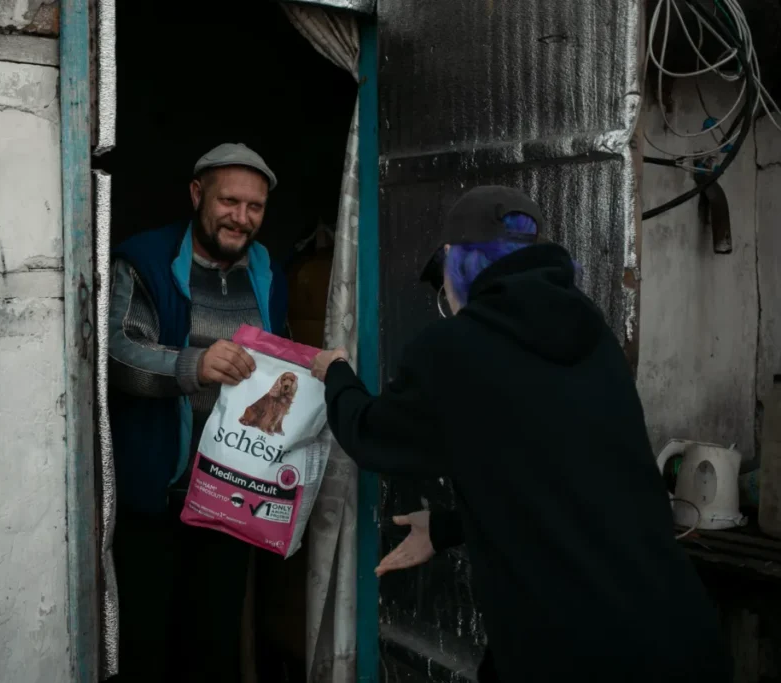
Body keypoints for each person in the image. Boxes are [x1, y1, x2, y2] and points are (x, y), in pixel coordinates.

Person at [310, 186, 731, 683]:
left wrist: (336, 373)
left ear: (459, 264)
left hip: (572, 654)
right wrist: (446, 528)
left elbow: (371, 435)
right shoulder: (593, 336)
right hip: (681, 636)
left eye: (441, 279)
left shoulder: (454, 350)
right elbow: (551, 474)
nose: (443, 295)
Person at [107, 143, 288, 682]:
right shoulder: (145, 259)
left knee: (212, 649)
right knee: (146, 649)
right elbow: (116, 355)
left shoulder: (266, 269)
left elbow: (277, 361)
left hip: (232, 500)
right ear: (196, 194)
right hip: (158, 498)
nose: (241, 217)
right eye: (229, 201)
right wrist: (194, 365)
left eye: (255, 207)